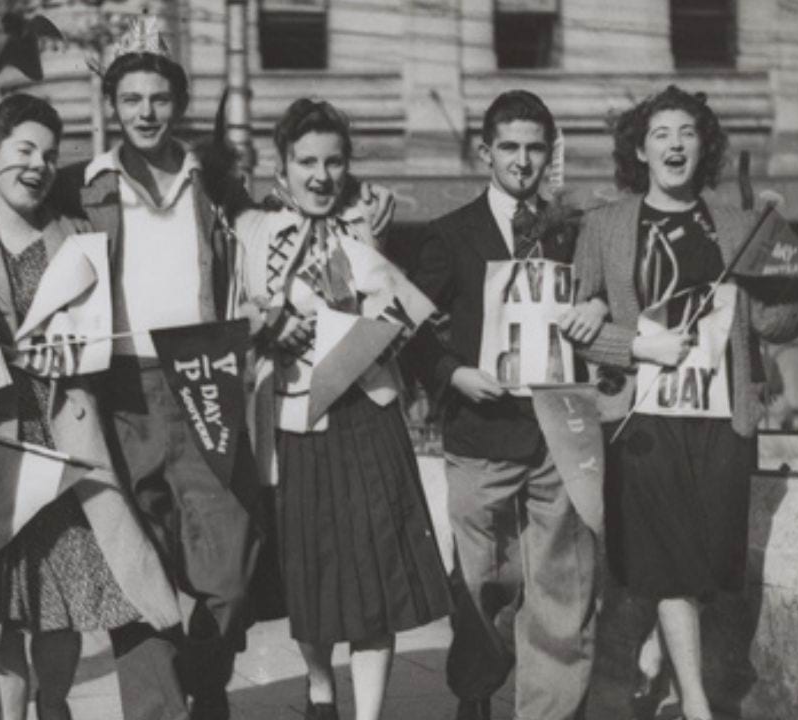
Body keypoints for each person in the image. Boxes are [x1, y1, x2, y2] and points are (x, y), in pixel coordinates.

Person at [572, 85, 798, 720]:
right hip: (644, 418)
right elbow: (579, 333)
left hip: (722, 417)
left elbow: (773, 326)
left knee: (707, 565)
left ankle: (661, 664)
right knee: (668, 563)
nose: (674, 145)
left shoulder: (740, 227)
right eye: (661, 133)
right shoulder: (605, 226)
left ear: (704, 146)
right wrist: (636, 345)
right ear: (640, 149)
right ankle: (696, 703)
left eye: (687, 133)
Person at [44, 19, 264, 720]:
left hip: (203, 380)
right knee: (138, 565)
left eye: (158, 98)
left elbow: (265, 248)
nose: (145, 112)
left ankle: (206, 680)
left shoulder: (212, 183)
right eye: (131, 98)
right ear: (112, 106)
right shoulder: (82, 186)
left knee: (230, 561)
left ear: (177, 104)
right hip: (120, 391)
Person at [0, 92, 181, 720]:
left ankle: (55, 707)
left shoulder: (75, 234)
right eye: (23, 150)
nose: (38, 165)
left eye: (49, 155)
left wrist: (76, 359)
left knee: (61, 596)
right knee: (4, 610)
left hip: (65, 440)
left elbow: (102, 334)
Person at [232, 98, 453, 720]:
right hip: (296, 421)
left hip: (367, 413)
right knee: (312, 570)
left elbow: (403, 318)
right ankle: (320, 685)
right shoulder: (255, 232)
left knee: (376, 569)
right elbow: (235, 317)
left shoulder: (366, 225)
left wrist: (368, 261)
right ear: (284, 165)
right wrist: (271, 332)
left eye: (333, 162)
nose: (321, 176)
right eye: (307, 162)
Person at [402, 90, 605, 720]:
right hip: (478, 433)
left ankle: (548, 709)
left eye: (536, 147)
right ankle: (475, 687)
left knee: (562, 583)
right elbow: (408, 331)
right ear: (485, 152)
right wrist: (453, 372)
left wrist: (598, 306)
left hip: (558, 434)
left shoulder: (576, 232)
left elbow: (606, 299)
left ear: (551, 154)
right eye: (509, 147)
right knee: (482, 580)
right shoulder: (448, 235)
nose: (523, 161)